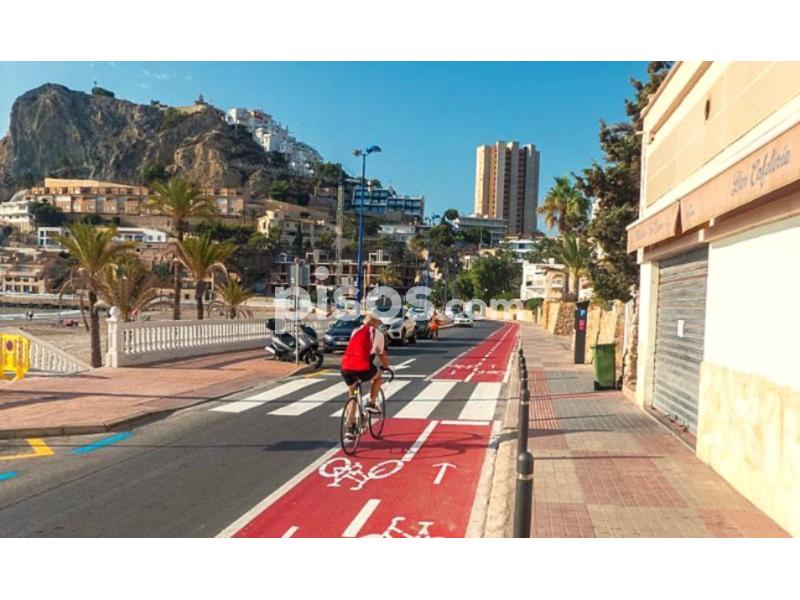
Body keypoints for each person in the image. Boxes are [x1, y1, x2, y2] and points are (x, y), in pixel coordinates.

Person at [340, 311, 389, 440]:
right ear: (374, 322)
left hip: (346, 366)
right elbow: (382, 354)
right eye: (378, 322)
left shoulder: (355, 331)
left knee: (352, 395)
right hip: (362, 367)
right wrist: (385, 367)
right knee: (378, 377)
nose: (379, 324)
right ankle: (371, 402)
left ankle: (350, 428)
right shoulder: (377, 334)